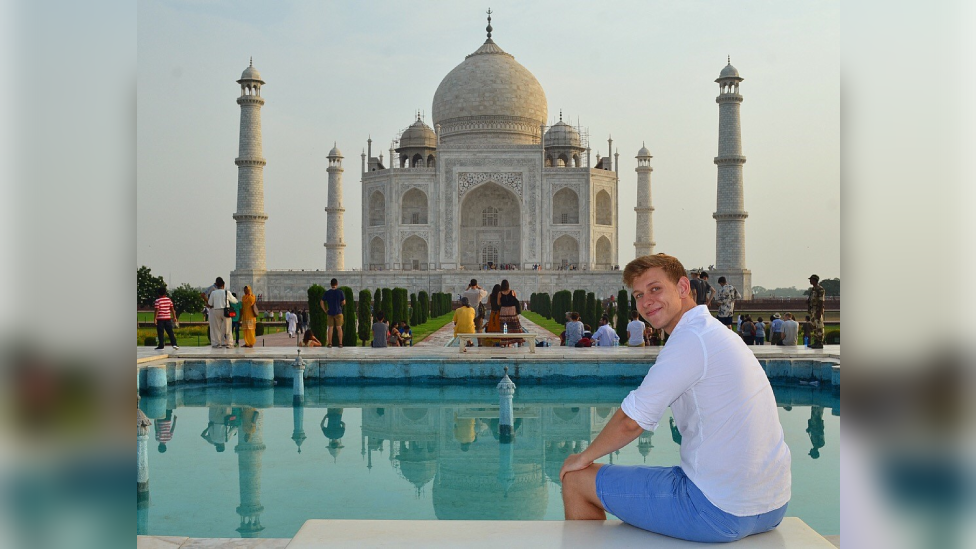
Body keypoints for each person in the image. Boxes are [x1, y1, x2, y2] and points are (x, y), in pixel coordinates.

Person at [560, 254, 790, 543]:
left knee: (576, 478)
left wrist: (583, 458)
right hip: (771, 505)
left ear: (683, 287)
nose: (646, 302)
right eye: (639, 294)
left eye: (655, 289)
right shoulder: (716, 332)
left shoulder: (690, 339)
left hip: (717, 509)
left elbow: (631, 422)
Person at [206, 278, 238, 348]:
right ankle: (229, 343)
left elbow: (210, 303)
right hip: (225, 311)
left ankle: (218, 343)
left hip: (216, 310)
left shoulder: (213, 293)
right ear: (223, 285)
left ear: (216, 285)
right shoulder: (227, 292)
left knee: (217, 328)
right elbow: (235, 301)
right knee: (228, 328)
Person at [320, 279, 346, 348]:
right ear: (337, 284)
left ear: (330, 284)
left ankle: (330, 343)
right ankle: (340, 343)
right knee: (339, 328)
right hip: (338, 312)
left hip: (330, 312)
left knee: (330, 328)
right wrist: (340, 304)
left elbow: (321, 302)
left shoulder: (327, 293)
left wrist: (325, 310)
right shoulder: (340, 292)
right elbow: (344, 302)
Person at [496, 279, 523, 344]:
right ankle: (518, 341)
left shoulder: (500, 293)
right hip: (512, 310)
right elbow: (515, 300)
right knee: (514, 325)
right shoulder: (512, 292)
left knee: (504, 326)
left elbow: (498, 303)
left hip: (504, 311)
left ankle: (505, 341)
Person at [806, 275, 826, 349]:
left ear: (815, 280)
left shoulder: (820, 289)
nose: (810, 281)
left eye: (811, 280)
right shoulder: (813, 289)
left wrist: (819, 311)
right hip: (813, 310)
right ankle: (816, 341)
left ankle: (820, 341)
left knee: (819, 326)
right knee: (814, 326)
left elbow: (821, 301)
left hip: (817, 310)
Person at [200, 277, 221, 344]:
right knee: (213, 326)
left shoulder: (219, 289)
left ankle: (219, 341)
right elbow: (203, 294)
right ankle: (214, 342)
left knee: (219, 326)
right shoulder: (212, 288)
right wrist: (209, 303)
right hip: (212, 309)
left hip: (219, 309)